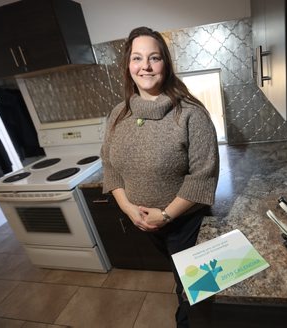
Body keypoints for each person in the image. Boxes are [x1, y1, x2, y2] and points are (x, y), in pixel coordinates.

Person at [101, 26, 220, 327]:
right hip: (147, 224)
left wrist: (165, 215)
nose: (146, 66)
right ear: (128, 67)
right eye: (137, 58)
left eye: (154, 58)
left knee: (199, 290)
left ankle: (191, 319)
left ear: (165, 63)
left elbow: (202, 176)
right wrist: (129, 209)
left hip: (185, 224)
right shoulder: (118, 114)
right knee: (183, 281)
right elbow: (110, 166)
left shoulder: (191, 113)